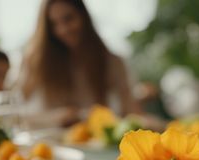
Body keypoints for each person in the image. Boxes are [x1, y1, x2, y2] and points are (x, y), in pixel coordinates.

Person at [19, 0, 140, 128]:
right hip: (50, 144)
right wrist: (59, 116)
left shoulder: (112, 62)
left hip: (98, 143)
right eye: (53, 24)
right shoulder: (34, 62)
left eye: (68, 19)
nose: (63, 30)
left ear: (84, 16)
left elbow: (133, 113)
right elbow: (18, 115)